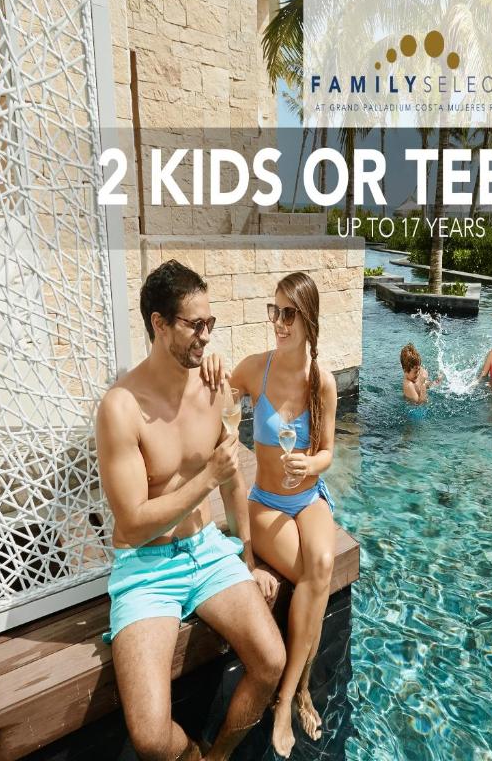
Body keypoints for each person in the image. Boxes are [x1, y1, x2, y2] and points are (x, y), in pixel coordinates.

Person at [95, 260, 285, 761]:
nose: (205, 337)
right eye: (194, 325)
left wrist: (247, 561)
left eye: (210, 325)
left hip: (206, 550)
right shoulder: (121, 407)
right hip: (146, 570)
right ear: (159, 324)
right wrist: (208, 477)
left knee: (271, 660)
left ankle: (218, 754)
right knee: (152, 738)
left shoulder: (212, 386)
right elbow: (133, 522)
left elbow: (232, 481)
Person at [226, 271, 338, 759]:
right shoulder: (256, 370)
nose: (278, 322)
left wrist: (311, 463)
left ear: (308, 319)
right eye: (274, 311)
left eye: (288, 313)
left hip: (310, 497)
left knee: (323, 565)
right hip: (267, 503)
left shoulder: (323, 382)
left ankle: (289, 694)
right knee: (312, 576)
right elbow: (217, 398)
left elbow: (329, 451)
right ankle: (296, 693)